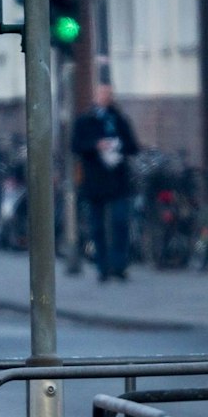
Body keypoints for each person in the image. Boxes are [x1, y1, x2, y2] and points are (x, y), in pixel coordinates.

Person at [71, 84, 141, 282]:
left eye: (109, 95)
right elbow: (76, 145)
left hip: (118, 179)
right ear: (95, 97)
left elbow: (133, 146)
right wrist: (96, 145)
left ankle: (119, 265)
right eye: (102, 95)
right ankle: (102, 266)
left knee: (120, 222)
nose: (106, 98)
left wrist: (119, 146)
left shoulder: (119, 120)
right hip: (95, 181)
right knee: (97, 226)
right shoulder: (85, 121)